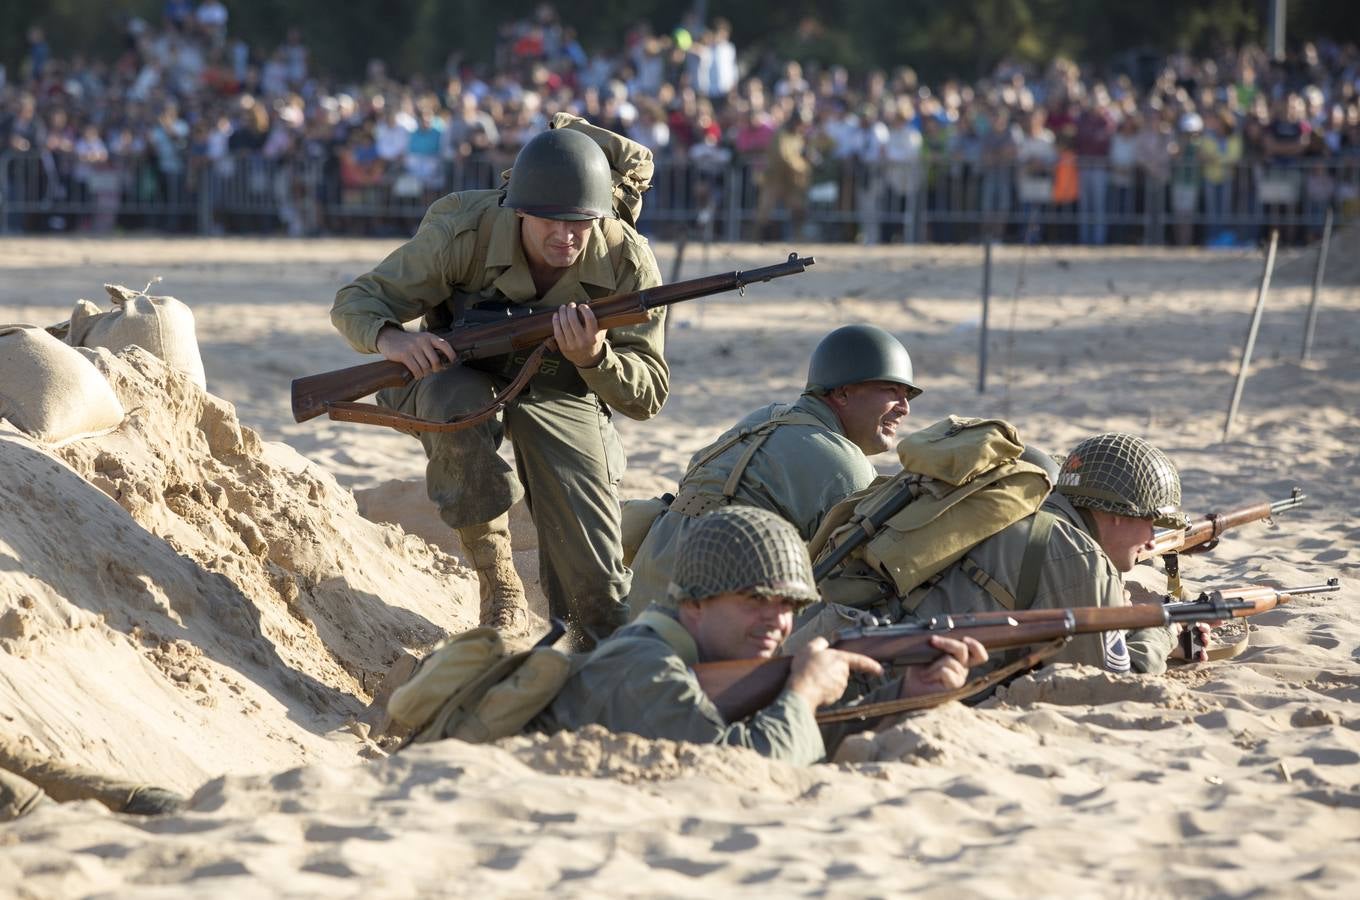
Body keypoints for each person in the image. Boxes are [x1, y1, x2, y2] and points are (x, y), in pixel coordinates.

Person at [331, 122, 667, 650]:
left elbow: (647, 393)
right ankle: (498, 581)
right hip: (461, 376)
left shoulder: (626, 259)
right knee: (450, 401)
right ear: (519, 209)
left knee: (596, 587)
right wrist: (393, 341)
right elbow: (357, 300)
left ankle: (588, 650)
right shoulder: (465, 229)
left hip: (563, 391)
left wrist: (596, 356)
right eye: (551, 222)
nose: (567, 237)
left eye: (582, 223)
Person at [531, 506, 986, 764]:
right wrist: (804, 692)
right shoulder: (642, 666)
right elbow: (746, 764)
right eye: (754, 600)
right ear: (694, 602)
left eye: (789, 607)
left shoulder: (699, 658)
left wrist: (906, 694)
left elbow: (780, 730)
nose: (778, 622)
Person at [801, 432, 1195, 676]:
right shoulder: (1081, 558)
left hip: (836, 631)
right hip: (881, 672)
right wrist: (1162, 633)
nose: (1152, 539)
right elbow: (1113, 680)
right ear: (1113, 516)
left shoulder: (1019, 512)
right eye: (1150, 522)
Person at [627, 324, 920, 617]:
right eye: (891, 391)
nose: (904, 408)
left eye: (907, 394)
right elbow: (871, 571)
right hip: (710, 622)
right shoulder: (843, 464)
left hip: (645, 608)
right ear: (842, 393)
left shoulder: (765, 417)